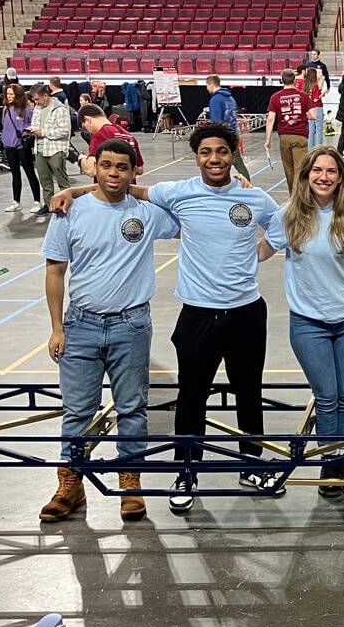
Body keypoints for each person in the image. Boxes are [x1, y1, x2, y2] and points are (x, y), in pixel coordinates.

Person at [52, 121, 285, 510]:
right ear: (196, 157)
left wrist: (255, 257)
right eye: (206, 152)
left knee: (249, 391)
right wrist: (74, 191)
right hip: (197, 314)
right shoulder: (178, 192)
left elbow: (276, 232)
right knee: (192, 396)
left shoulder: (256, 198)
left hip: (247, 311)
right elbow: (129, 188)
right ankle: (187, 470)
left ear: (233, 154)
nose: (214, 158)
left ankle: (251, 462)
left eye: (222, 151)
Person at [37, 138, 180, 523]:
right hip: (80, 325)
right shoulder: (70, 212)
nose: (113, 173)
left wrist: (240, 187)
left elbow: (192, 212)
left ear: (134, 172)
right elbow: (55, 271)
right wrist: (56, 327)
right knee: (78, 410)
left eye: (122, 167)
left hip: (131, 325)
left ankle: (130, 483)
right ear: (94, 166)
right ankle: (71, 483)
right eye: (106, 165)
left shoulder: (146, 213)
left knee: (132, 408)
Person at [258, 147, 344, 496]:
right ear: (305, 175)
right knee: (327, 394)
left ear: (340, 177)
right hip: (308, 322)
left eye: (331, 171)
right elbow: (261, 252)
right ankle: (327, 460)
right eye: (317, 171)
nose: (324, 177)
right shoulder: (289, 215)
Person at [265, 68, 319, 193]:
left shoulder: (275, 97)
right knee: (300, 169)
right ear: (295, 80)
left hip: (284, 136)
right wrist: (302, 115)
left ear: (281, 80)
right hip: (300, 135)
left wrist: (267, 140)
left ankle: (292, 196)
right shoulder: (304, 96)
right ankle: (298, 198)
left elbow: (270, 119)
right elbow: (314, 116)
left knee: (288, 169)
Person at [29, 83, 72, 216]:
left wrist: (43, 132)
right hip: (40, 149)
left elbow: (64, 131)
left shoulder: (60, 109)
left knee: (62, 180)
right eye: (34, 99)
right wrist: (32, 130)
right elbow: (35, 124)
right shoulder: (37, 108)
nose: (35, 102)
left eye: (37, 99)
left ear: (46, 96)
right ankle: (49, 205)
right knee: (44, 180)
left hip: (55, 150)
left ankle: (69, 204)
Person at [0, 83, 40, 214]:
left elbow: (32, 125)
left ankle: (37, 202)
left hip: (22, 146)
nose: (9, 96)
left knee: (30, 173)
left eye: (11, 94)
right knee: (15, 174)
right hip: (9, 146)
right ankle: (16, 201)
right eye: (7, 94)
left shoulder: (27, 110)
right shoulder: (6, 109)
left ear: (18, 95)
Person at [77, 105, 143, 179]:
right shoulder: (128, 135)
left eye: (85, 128)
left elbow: (92, 170)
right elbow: (140, 169)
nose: (89, 132)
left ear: (87, 119)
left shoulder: (100, 136)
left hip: (108, 188)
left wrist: (82, 160)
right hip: (128, 187)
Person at [203, 75, 250, 179]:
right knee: (237, 162)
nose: (206, 88)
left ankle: (247, 185)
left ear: (211, 84)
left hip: (224, 137)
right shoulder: (230, 98)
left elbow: (216, 122)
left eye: (207, 85)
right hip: (233, 133)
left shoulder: (215, 100)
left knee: (227, 163)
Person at [296, 66, 326, 148]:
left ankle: (310, 149)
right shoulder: (315, 86)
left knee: (311, 130)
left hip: (309, 108)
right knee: (319, 129)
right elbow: (316, 99)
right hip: (317, 107)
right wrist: (322, 94)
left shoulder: (305, 85)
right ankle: (319, 147)